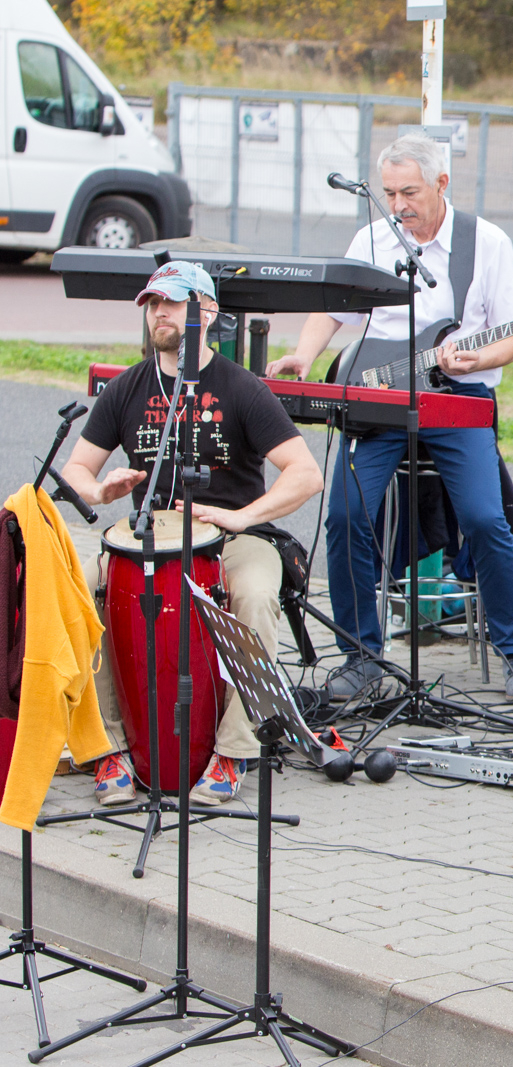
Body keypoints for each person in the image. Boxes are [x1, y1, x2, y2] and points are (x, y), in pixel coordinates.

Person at [267, 134, 513, 703]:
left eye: (409, 192)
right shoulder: (369, 239)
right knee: (344, 514)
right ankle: (360, 655)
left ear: (442, 185)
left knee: (485, 519)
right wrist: (306, 356)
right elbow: (332, 308)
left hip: (456, 396)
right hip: (377, 398)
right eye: (389, 193)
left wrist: (477, 357)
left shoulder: (485, 242)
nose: (398, 205)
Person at [62, 261, 324, 806]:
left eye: (173, 303)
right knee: (82, 591)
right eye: (153, 304)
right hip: (148, 538)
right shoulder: (128, 387)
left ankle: (234, 750)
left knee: (253, 595)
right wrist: (101, 491)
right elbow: (76, 471)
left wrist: (243, 516)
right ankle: (107, 744)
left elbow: (306, 474)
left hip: (233, 535)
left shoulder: (241, 388)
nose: (160, 313)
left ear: (207, 313)